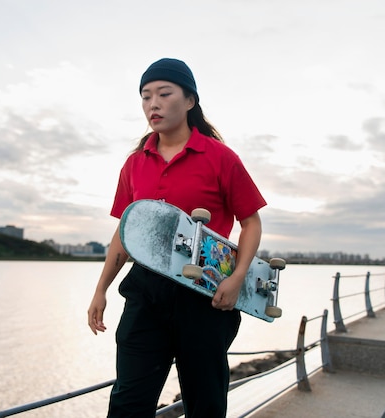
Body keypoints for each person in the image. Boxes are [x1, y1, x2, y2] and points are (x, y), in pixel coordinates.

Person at [87, 58, 266, 418]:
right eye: (145, 96)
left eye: (164, 93)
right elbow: (125, 232)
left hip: (204, 294)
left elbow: (251, 222)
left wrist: (237, 278)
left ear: (189, 101)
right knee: (128, 401)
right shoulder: (135, 163)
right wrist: (101, 289)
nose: (153, 104)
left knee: (206, 402)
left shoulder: (220, 157)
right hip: (145, 292)